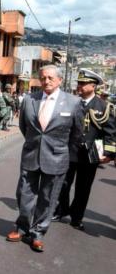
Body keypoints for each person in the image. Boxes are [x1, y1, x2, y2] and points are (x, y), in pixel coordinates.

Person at [6, 65, 83, 253]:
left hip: (57, 157)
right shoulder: (29, 100)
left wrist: (61, 150)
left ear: (59, 80)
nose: (46, 81)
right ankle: (22, 227)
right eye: (42, 78)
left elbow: (77, 133)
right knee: (24, 194)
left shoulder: (73, 102)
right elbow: (25, 127)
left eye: (50, 78)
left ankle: (38, 233)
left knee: (48, 199)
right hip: (31, 154)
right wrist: (35, 144)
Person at [53, 68, 116, 230]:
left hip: (90, 155)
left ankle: (76, 217)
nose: (79, 86)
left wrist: (108, 154)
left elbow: (111, 133)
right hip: (69, 151)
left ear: (93, 86)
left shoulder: (104, 106)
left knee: (83, 188)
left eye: (83, 83)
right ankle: (61, 211)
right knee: (63, 184)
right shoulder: (71, 103)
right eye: (78, 83)